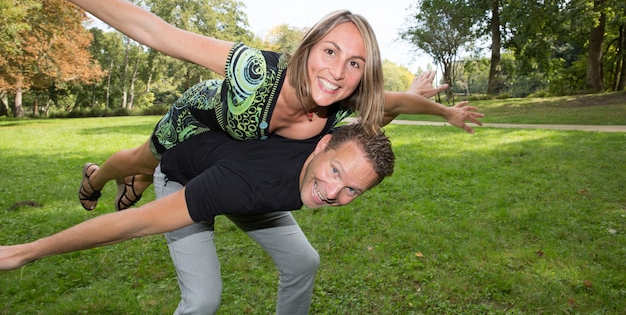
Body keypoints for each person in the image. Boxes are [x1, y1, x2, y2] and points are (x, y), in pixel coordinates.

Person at [0, 0, 483, 214]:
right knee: (141, 161)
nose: (338, 72)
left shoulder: (341, 103)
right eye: (331, 52)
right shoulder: (255, 71)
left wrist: (445, 111)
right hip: (199, 119)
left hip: (226, 149)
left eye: (355, 64)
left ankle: (133, 178)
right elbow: (153, 30)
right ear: (308, 47)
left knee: (152, 173)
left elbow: (396, 101)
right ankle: (96, 177)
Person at [0, 122, 394, 283]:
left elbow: (382, 112)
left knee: (304, 260)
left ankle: (127, 180)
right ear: (323, 147)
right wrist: (27, 251)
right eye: (337, 174)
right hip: (183, 176)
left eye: (352, 191)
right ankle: (112, 178)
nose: (332, 194)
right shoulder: (240, 184)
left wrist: (417, 100)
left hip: (250, 187)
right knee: (204, 298)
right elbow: (135, 224)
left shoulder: (335, 140)